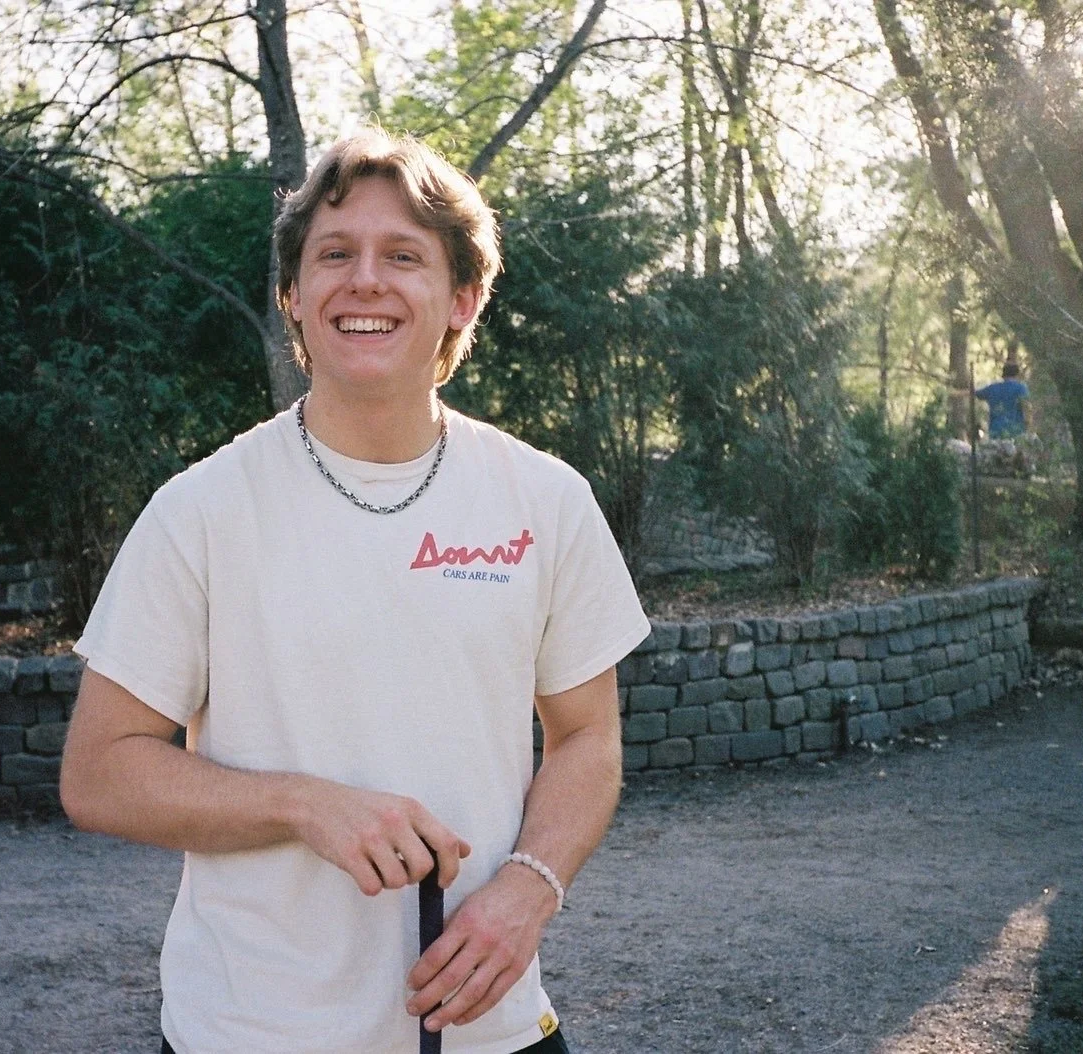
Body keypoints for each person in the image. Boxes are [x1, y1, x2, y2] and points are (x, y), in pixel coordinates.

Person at [59, 129, 651, 1054]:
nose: (365, 281)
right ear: (294, 296)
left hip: (487, 1029)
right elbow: (99, 773)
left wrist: (530, 886)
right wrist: (304, 805)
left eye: (403, 256)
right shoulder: (200, 510)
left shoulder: (546, 500)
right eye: (334, 255)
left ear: (463, 298)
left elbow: (587, 737)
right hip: (248, 1033)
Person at [975, 360, 1030, 439]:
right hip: (1015, 430)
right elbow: (1026, 406)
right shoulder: (1021, 388)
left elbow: (973, 393)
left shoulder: (992, 388)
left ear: (1003, 374)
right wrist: (1028, 423)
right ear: (1017, 374)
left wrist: (957, 392)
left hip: (995, 430)